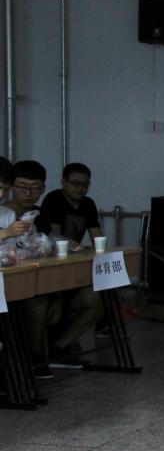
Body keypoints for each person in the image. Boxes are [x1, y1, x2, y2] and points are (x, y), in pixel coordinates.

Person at [3, 160, 102, 376]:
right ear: (12, 187)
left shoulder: (40, 215)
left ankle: (58, 349)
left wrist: (56, 296)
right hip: (15, 285)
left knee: (94, 300)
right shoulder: (6, 216)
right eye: (22, 187)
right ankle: (35, 356)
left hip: (45, 282)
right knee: (38, 304)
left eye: (34, 187)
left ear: (43, 189)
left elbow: (51, 251)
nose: (28, 193)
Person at [39, 162, 102, 244]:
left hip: (75, 249)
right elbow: (55, 237)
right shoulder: (54, 199)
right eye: (75, 183)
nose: (80, 188)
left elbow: (97, 237)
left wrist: (101, 249)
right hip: (50, 249)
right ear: (63, 181)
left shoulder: (88, 203)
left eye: (85, 184)